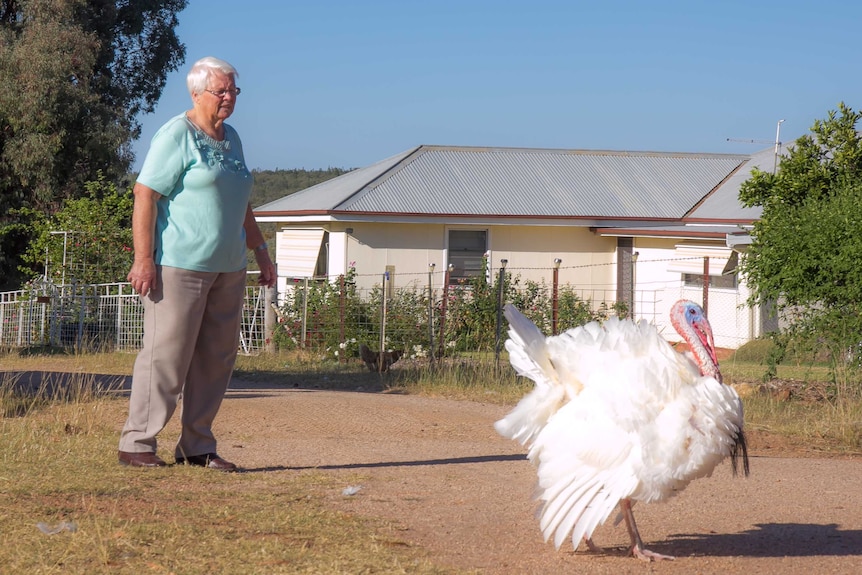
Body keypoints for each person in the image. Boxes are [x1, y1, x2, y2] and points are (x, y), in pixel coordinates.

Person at [118, 56, 276, 471]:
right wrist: (143, 260)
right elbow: (145, 195)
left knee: (216, 358)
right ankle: (137, 443)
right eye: (220, 91)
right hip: (179, 266)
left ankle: (197, 446)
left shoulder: (233, 138)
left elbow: (241, 203)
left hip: (229, 267)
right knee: (166, 355)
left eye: (233, 91)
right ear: (196, 92)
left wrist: (261, 252)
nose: (228, 98)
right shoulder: (176, 134)